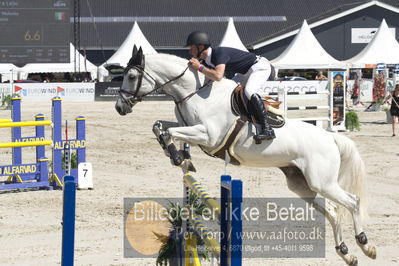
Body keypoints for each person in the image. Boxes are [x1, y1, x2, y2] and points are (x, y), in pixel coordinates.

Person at [185, 31, 275, 140]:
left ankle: (267, 128)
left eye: (191, 47)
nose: (189, 51)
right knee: (228, 92)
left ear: (201, 47)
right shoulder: (206, 61)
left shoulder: (218, 53)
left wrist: (199, 67)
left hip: (259, 66)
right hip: (244, 72)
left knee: (249, 91)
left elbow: (218, 76)